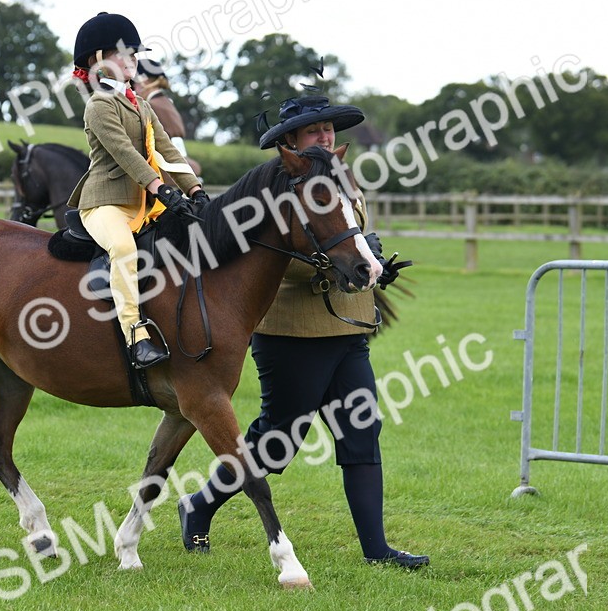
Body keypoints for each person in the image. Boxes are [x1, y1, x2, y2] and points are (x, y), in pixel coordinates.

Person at [177, 92, 429, 569]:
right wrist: (338, 265)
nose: (326, 136)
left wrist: (373, 263)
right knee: (278, 442)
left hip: (347, 331)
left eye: (330, 129)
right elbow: (267, 261)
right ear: (291, 141)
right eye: (315, 131)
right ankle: (200, 504)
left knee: (361, 430)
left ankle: (377, 551)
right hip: (291, 333)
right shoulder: (273, 189)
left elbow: (346, 241)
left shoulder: (341, 180)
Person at [65, 12, 207, 369]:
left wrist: (195, 189)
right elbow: (126, 155)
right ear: (99, 60)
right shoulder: (98, 105)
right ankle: (136, 337)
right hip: (104, 205)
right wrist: (162, 190)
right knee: (124, 249)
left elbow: (167, 150)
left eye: (134, 55)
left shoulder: (140, 105)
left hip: (142, 204)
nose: (134, 61)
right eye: (126, 54)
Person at [134, 59, 202, 178]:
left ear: (144, 81)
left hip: (163, 172)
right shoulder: (165, 102)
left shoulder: (152, 105)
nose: (134, 88)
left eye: (135, 83)